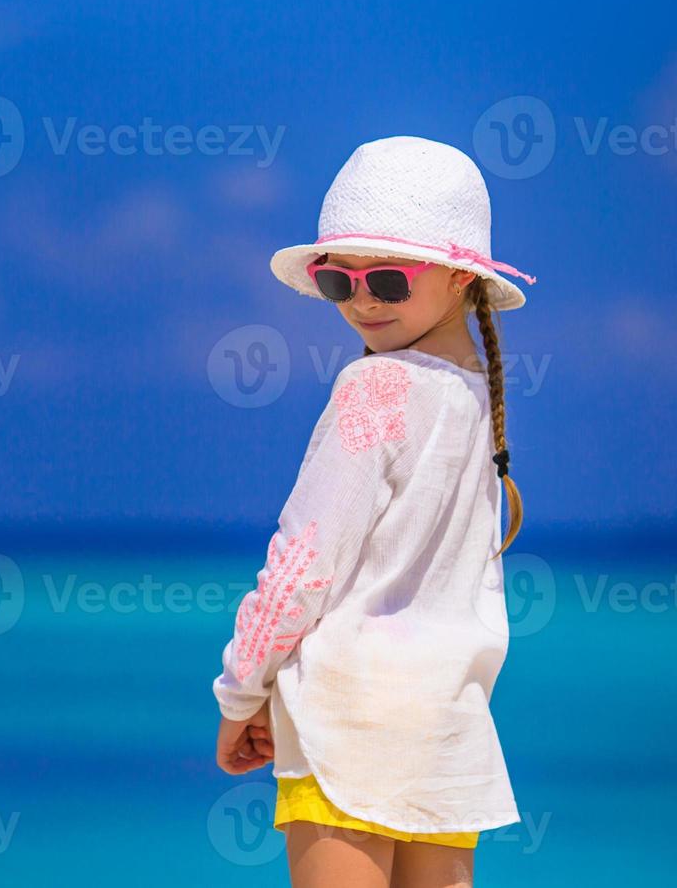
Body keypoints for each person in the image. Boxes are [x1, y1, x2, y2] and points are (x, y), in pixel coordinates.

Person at [210, 136, 539, 888]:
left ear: (461, 279)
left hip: (347, 726)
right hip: (448, 734)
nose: (362, 300)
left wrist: (240, 692)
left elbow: (302, 562)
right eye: (339, 281)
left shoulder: (374, 389)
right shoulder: (472, 401)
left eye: (389, 279)